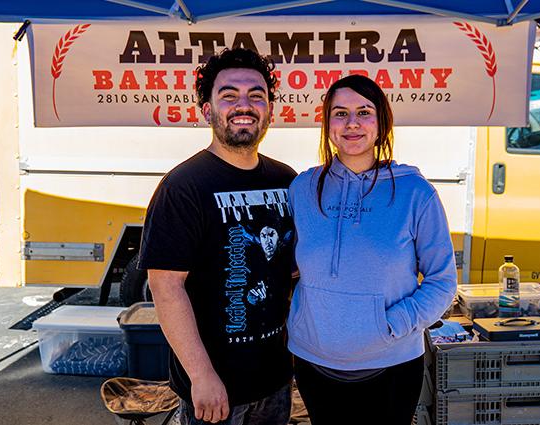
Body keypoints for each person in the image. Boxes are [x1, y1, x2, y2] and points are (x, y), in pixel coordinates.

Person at [137, 48, 296, 425]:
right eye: (229, 95)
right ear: (207, 110)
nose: (245, 105)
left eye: (257, 95)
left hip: (275, 380)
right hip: (216, 390)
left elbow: (293, 271)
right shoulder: (183, 187)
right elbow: (165, 287)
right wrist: (201, 376)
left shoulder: (286, 180)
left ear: (270, 110)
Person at [287, 75, 457, 425]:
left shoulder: (415, 193)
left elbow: (442, 281)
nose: (352, 124)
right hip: (313, 362)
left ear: (381, 124)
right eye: (340, 113)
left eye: (364, 112)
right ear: (327, 124)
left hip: (391, 364)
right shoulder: (302, 188)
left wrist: (393, 325)